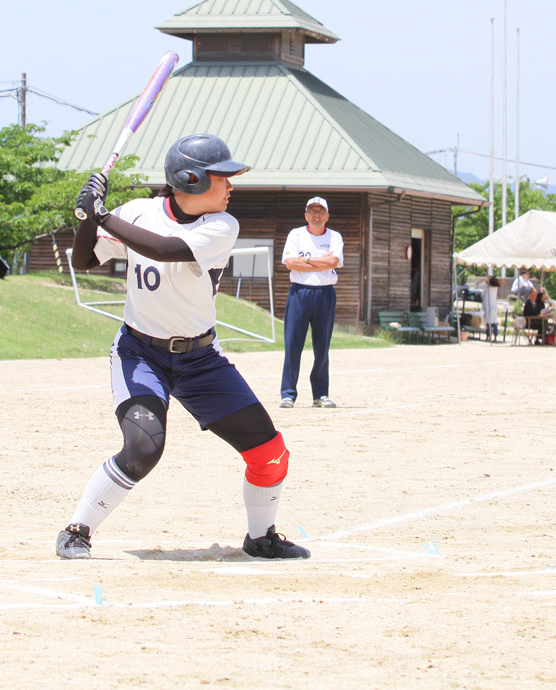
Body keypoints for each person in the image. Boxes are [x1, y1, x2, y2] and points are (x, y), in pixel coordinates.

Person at [55, 133, 310, 562]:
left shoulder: (222, 225)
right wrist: (86, 217)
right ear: (191, 179)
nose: (230, 186)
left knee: (269, 453)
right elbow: (83, 261)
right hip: (140, 353)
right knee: (143, 449)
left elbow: (164, 249)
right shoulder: (137, 212)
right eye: (222, 177)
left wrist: (102, 215)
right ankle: (77, 530)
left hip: (200, 359)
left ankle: (261, 537)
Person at [279, 196, 344, 409]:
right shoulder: (296, 234)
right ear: (306, 215)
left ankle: (320, 394)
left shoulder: (334, 236)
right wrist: (320, 263)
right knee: (292, 344)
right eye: (312, 211)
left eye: (320, 211)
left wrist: (305, 260)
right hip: (300, 293)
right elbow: (290, 263)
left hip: (325, 294)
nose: (317, 215)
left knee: (322, 346)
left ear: (327, 216)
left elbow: (333, 261)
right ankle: (288, 394)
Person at [481, 276, 502, 341]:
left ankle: (488, 336)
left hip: (488, 306)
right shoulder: (495, 288)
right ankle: (495, 336)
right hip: (494, 305)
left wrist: (483, 280)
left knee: (488, 321)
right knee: (494, 321)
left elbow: (477, 284)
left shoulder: (487, 287)